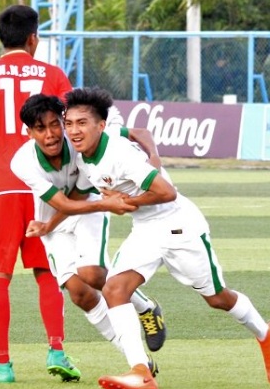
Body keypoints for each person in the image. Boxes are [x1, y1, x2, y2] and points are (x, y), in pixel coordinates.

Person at [63, 86, 270, 389]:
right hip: (145, 229)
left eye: (82, 123)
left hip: (178, 225)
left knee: (217, 298)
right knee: (115, 289)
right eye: (69, 122)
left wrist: (127, 199)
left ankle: (267, 336)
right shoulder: (85, 150)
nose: (74, 130)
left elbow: (166, 192)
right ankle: (141, 372)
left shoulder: (118, 154)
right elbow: (139, 132)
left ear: (100, 125)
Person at [0, 4, 77, 384]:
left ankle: (2, 365)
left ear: (0, 38)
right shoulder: (53, 74)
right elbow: (70, 127)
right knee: (46, 272)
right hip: (45, 185)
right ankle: (57, 350)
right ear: (33, 38)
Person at [10, 93, 168, 367]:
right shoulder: (23, 162)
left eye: (54, 124)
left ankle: (146, 309)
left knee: (92, 273)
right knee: (80, 294)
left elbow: (139, 132)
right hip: (58, 220)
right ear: (29, 132)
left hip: (88, 209)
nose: (50, 135)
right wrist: (49, 225)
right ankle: (140, 358)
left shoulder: (79, 135)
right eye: (40, 128)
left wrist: (154, 158)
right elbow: (62, 203)